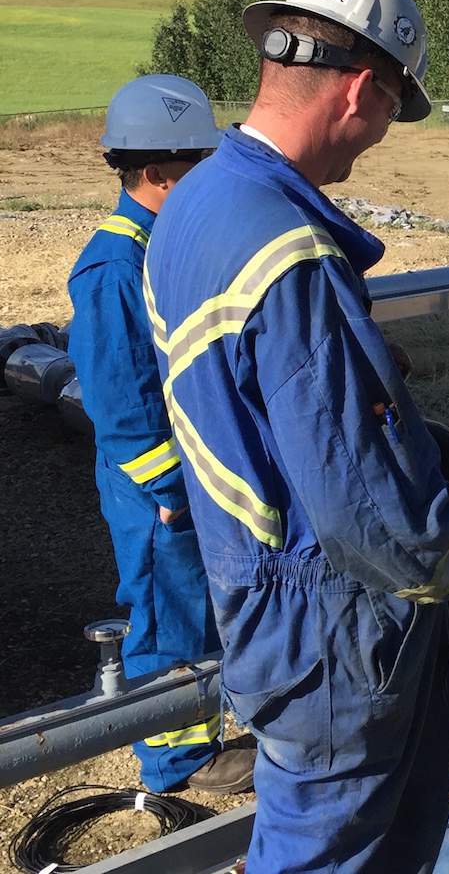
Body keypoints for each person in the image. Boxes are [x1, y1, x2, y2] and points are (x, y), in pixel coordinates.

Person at [143, 0, 449, 872]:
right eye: (389, 115)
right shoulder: (289, 253)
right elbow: (400, 538)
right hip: (331, 632)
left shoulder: (201, 202)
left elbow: (258, 399)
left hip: (273, 596)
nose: (374, 145)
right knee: (332, 852)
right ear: (362, 89)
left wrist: (375, 401)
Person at [66, 75, 256, 795]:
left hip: (186, 476)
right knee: (164, 613)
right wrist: (171, 489)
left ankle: (200, 725)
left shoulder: (159, 244)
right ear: (154, 174)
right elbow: (122, 404)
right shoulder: (113, 267)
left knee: (194, 606)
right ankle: (178, 759)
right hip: (156, 488)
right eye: (194, 171)